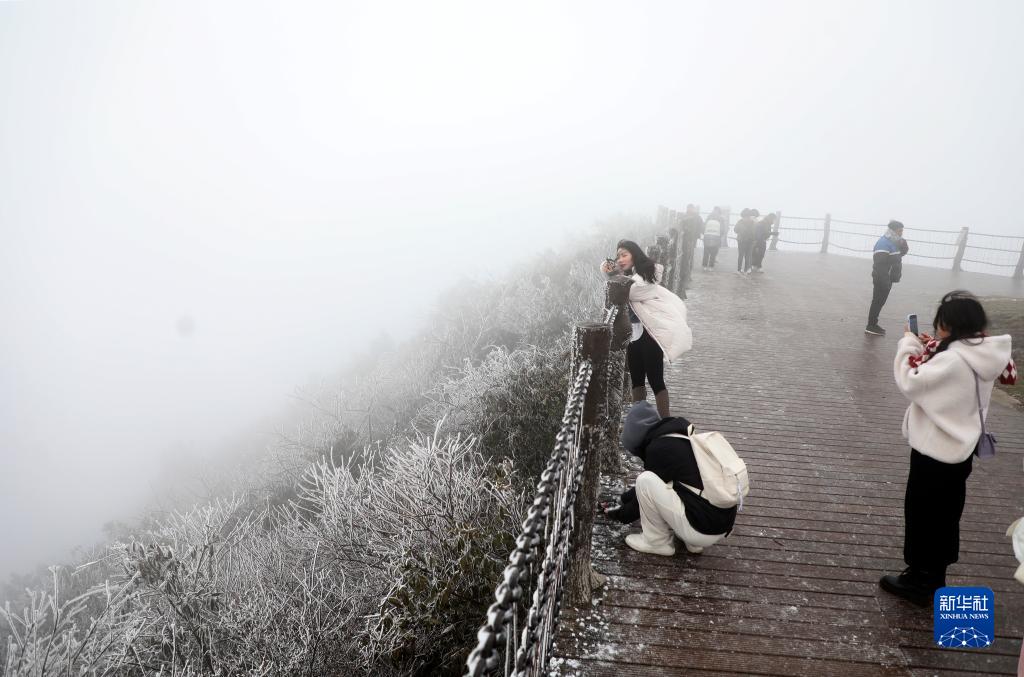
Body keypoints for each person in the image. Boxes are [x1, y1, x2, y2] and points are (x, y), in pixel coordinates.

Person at [880, 291, 1016, 606]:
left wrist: (908, 344)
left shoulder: (953, 359)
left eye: (941, 323)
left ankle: (920, 582)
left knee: (923, 514)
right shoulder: (982, 352)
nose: (937, 328)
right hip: (960, 451)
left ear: (952, 326)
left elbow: (911, 380)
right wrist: (934, 346)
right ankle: (933, 575)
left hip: (935, 451)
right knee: (945, 516)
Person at [602, 402, 737, 556]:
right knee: (676, 483)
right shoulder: (680, 437)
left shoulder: (658, 449)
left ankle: (657, 542)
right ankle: (692, 542)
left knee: (645, 480)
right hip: (720, 522)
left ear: (638, 438)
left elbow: (644, 492)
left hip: (702, 528)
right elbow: (661, 481)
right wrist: (622, 499)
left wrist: (617, 514)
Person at [601, 241, 692, 417]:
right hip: (635, 334)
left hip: (650, 334)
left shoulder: (645, 277)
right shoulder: (630, 277)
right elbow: (619, 290)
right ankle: (640, 420)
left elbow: (628, 292)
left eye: (624, 255)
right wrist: (614, 272)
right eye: (618, 256)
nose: (620, 259)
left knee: (655, 379)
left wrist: (613, 275)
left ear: (635, 255)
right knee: (637, 380)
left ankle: (665, 421)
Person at [865, 220, 908, 336]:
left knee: (880, 302)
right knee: (877, 302)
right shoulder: (883, 243)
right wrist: (885, 281)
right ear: (893, 231)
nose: (901, 233)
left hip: (888, 278)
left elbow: (898, 256)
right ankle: (871, 325)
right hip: (882, 278)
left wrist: (903, 246)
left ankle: (873, 324)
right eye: (899, 231)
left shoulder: (894, 242)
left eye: (902, 231)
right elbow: (879, 264)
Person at [680, 204, 704, 283]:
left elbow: (701, 227)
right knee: (685, 257)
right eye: (689, 208)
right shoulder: (685, 216)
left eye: (691, 208)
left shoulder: (696, 217)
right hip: (685, 239)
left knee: (689, 257)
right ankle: (684, 274)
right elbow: (680, 226)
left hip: (691, 239)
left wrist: (698, 234)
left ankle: (687, 275)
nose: (690, 209)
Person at [734, 208, 756, 274]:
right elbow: (754, 232)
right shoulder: (753, 222)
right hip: (749, 241)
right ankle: (745, 270)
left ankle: (739, 270)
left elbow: (735, 230)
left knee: (741, 255)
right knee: (747, 256)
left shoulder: (740, 222)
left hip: (742, 241)